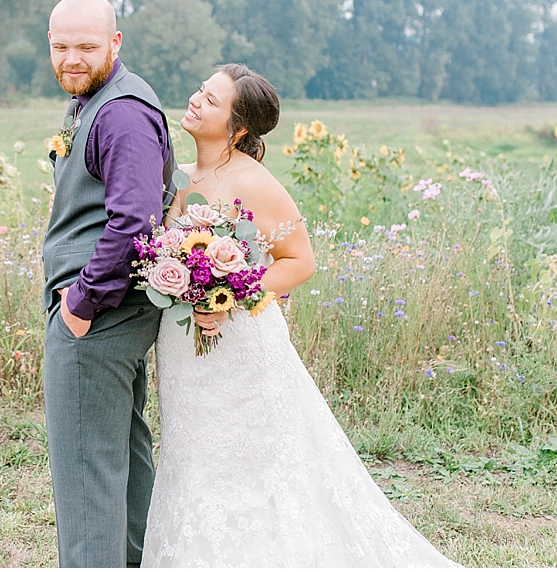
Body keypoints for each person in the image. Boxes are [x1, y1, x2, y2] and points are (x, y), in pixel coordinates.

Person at [141, 64, 457, 568]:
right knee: (194, 455)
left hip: (240, 344)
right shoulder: (182, 176)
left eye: (212, 100)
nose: (196, 101)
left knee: (252, 460)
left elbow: (300, 260)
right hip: (184, 345)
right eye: (201, 91)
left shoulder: (254, 182)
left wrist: (226, 291)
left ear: (238, 128)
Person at [41, 0, 175, 568]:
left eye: (86, 46)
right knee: (120, 455)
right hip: (112, 315)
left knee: (85, 474)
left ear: (115, 43)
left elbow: (135, 220)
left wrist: (82, 302)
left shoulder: (119, 111)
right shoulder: (96, 100)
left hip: (96, 318)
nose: (72, 58)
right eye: (60, 46)